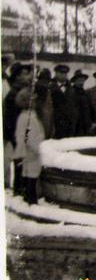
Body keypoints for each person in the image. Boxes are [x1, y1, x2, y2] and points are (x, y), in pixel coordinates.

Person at [12, 88, 45, 204]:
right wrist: (38, 149)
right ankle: (31, 200)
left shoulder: (24, 116)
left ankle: (27, 197)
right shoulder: (28, 117)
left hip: (26, 151)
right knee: (32, 175)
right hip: (32, 151)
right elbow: (30, 136)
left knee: (27, 173)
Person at [4, 63, 32, 194]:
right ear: (17, 77)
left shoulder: (23, 91)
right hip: (17, 132)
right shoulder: (14, 93)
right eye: (25, 74)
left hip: (22, 132)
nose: (28, 76)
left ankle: (20, 188)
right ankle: (19, 189)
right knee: (20, 161)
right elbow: (10, 117)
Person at [50, 64, 78, 140]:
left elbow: (74, 106)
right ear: (56, 73)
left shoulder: (71, 89)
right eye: (61, 73)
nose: (63, 75)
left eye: (65, 73)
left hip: (68, 124)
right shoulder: (50, 87)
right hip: (55, 123)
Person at [71, 70, 94, 137]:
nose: (81, 82)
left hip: (86, 125)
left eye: (82, 80)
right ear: (75, 81)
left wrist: (93, 121)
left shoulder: (86, 93)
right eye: (79, 80)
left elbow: (91, 108)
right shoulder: (71, 92)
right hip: (75, 126)